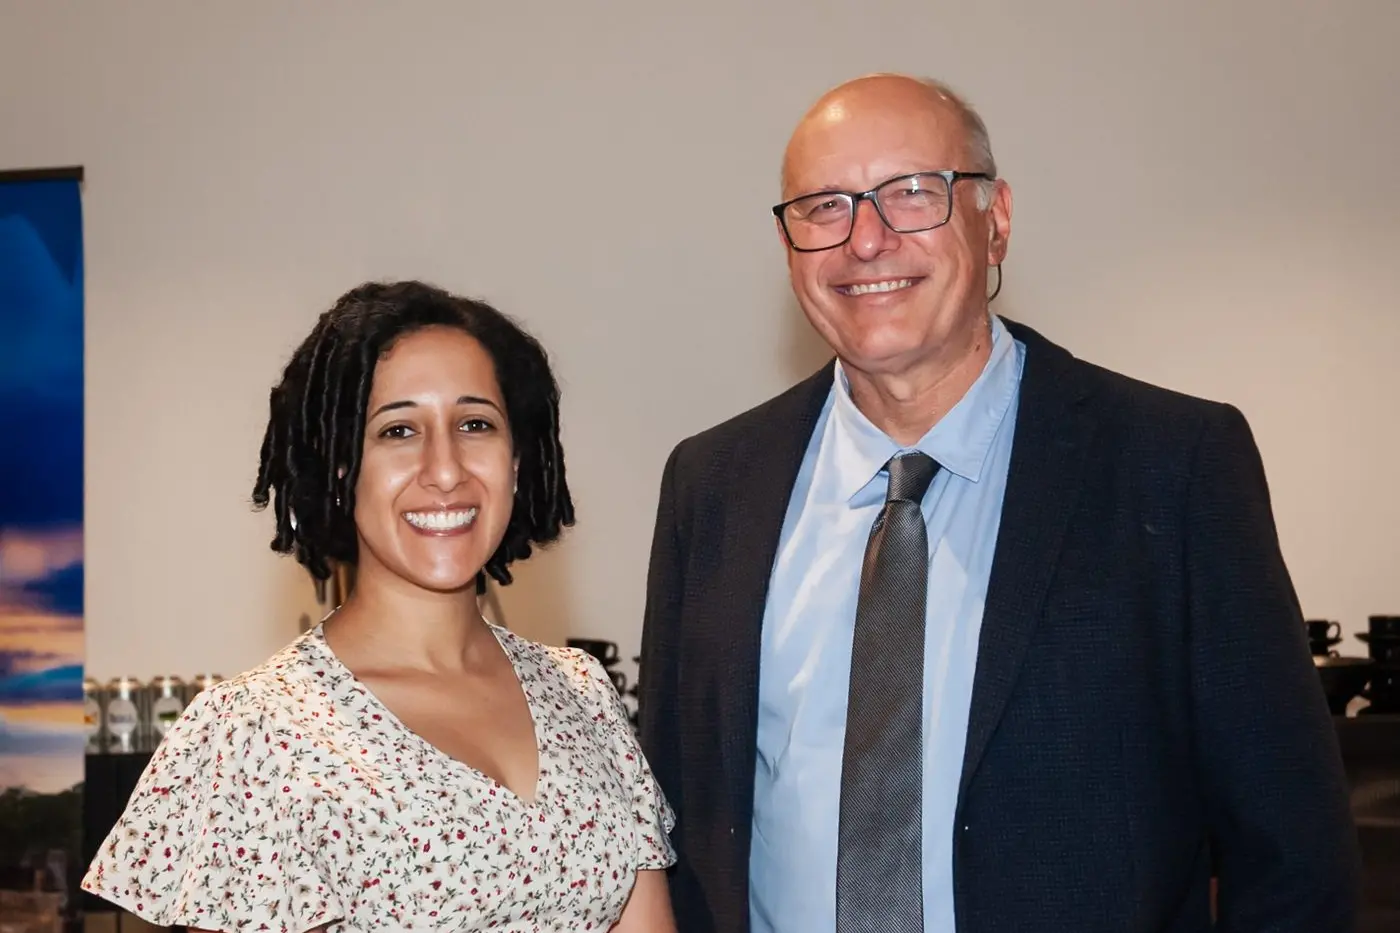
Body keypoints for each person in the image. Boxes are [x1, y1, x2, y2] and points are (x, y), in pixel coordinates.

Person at [636, 74, 1360, 933]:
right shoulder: (711, 485)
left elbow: (1292, 853)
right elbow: (667, 823)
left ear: (996, 218)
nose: (865, 239)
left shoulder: (1172, 466)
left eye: (912, 192)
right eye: (824, 206)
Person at [82, 280, 677, 932]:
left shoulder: (582, 693)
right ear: (340, 469)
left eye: (475, 424)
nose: (445, 469)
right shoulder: (257, 732)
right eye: (398, 430)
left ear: (515, 461)